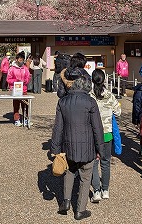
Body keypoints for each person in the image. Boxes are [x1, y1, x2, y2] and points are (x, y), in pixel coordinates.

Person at [51, 73, 104, 220]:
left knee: (69, 171)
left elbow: (58, 128)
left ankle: (66, 201)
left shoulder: (63, 102)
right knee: (85, 178)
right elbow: (97, 128)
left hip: (68, 145)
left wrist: (55, 149)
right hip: (88, 147)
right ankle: (80, 210)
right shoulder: (90, 101)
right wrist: (101, 149)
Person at [89, 68, 121, 202]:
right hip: (107, 133)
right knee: (105, 162)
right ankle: (105, 189)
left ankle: (96, 190)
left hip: (92, 133)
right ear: (104, 80)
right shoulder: (110, 95)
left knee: (93, 163)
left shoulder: (89, 96)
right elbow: (118, 112)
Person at [6, 51, 31, 126]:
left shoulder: (25, 68)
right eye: (19, 59)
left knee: (25, 105)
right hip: (15, 90)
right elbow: (8, 79)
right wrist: (16, 81)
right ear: (16, 59)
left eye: (22, 60)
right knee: (16, 105)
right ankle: (17, 119)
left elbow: (28, 77)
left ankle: (26, 119)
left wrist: (25, 81)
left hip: (24, 89)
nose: (21, 61)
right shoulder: (12, 69)